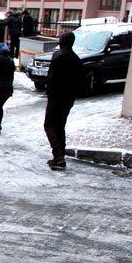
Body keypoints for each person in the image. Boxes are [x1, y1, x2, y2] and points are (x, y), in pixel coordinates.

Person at [44, 31, 82, 170]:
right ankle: (60, 156)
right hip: (68, 98)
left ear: (63, 41)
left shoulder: (58, 55)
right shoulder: (76, 59)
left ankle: (58, 155)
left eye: (60, 38)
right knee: (60, 126)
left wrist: (49, 91)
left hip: (56, 96)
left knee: (49, 125)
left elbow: (51, 76)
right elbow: (79, 80)